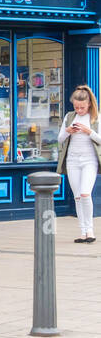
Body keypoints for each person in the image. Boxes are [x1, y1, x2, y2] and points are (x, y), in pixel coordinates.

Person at [59, 85, 101, 244]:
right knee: (77, 197)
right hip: (72, 160)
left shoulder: (95, 118)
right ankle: (83, 232)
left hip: (89, 160)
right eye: (76, 107)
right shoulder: (69, 117)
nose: (79, 110)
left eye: (82, 107)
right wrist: (68, 131)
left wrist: (88, 131)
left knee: (85, 193)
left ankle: (90, 230)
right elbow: (60, 139)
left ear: (89, 103)